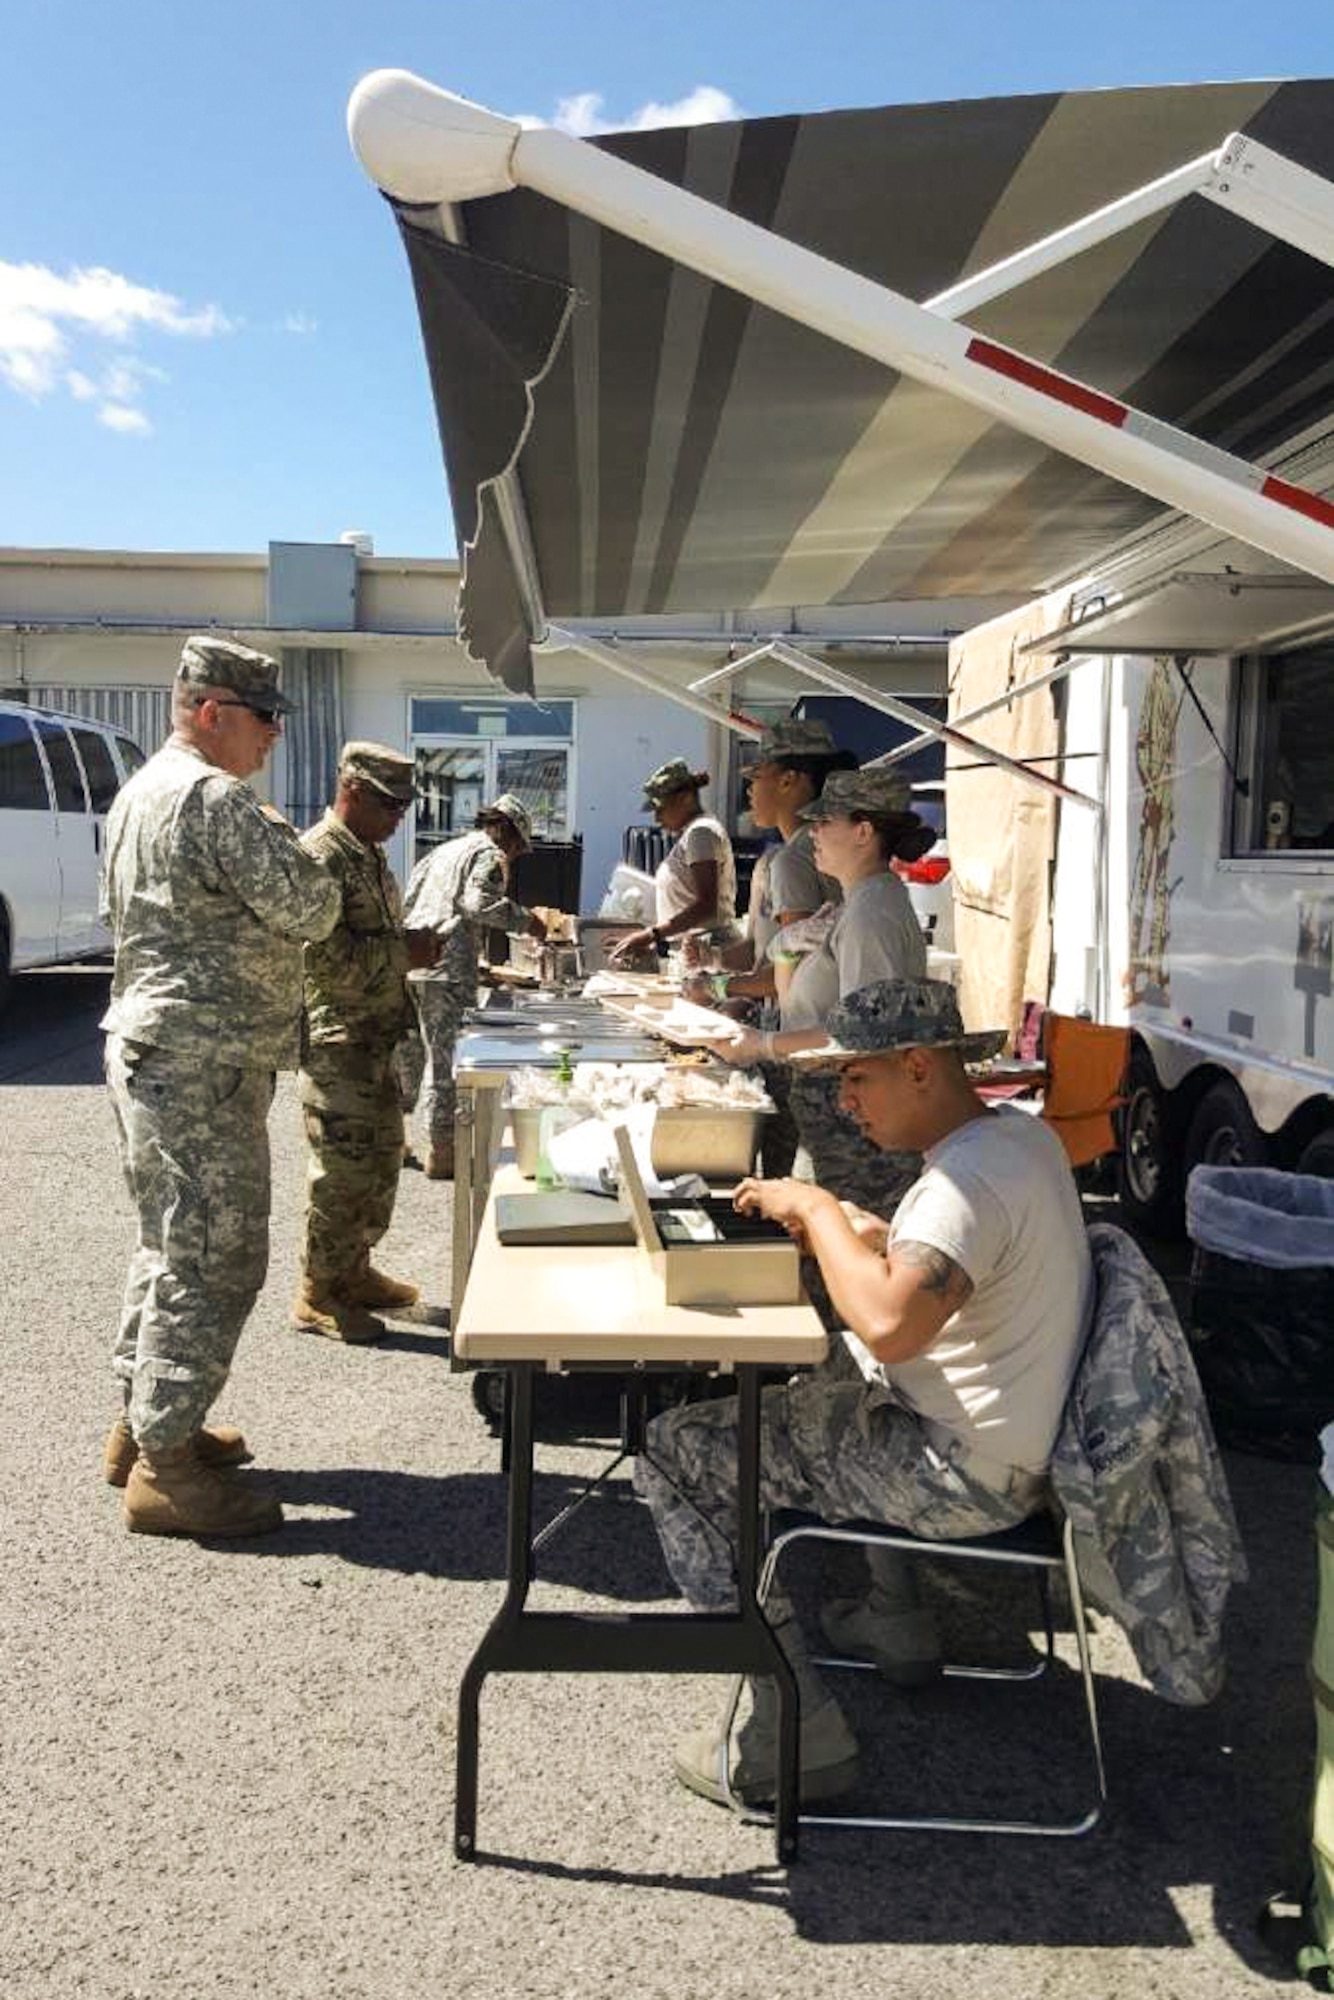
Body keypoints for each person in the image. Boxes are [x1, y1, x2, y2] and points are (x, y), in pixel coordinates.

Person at [634, 977, 1094, 1808]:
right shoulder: (1017, 1146)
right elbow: (952, 1275)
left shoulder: (965, 1186)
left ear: (919, 1066)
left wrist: (815, 1209)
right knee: (827, 1379)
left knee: (676, 1454)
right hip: (1008, 1449)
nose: (843, 1099)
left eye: (858, 1076)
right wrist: (860, 1233)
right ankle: (895, 1614)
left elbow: (888, 1325)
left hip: (959, 1476)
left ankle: (793, 1731)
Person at [100, 635, 341, 1538]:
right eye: (263, 721)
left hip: (153, 1046)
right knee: (214, 1257)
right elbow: (312, 908)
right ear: (212, 713)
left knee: (168, 1245)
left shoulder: (138, 793)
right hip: (201, 1058)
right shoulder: (213, 798)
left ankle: (147, 1423)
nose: (273, 738)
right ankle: (166, 1470)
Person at [715, 765, 939, 1231]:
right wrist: (787, 946)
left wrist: (761, 1044)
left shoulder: (872, 911)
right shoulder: (861, 903)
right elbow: (807, 1001)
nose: (811, 832)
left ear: (863, 832)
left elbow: (863, 1036)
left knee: (834, 1259)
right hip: (837, 1119)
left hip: (858, 1130)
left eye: (824, 823)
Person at [292, 743, 441, 1344]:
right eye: (390, 803)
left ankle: (352, 1272)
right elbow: (322, 959)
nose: (400, 815)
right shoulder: (320, 857)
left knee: (379, 1164)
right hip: (339, 1042)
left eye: (406, 805)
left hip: (374, 1038)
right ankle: (317, 1292)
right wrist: (408, 952)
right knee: (340, 1172)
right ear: (351, 789)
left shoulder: (369, 854)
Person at [684, 717, 847, 1173]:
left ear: (791, 780)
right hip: (810, 1039)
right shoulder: (785, 855)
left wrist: (717, 991)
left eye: (758, 778)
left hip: (799, 1044)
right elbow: (767, 952)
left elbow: (786, 976)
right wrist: (718, 965)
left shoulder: (796, 858)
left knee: (786, 1185)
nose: (751, 791)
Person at [397, 793, 546, 1179]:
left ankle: (396, 1139)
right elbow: (478, 902)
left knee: (408, 1055)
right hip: (447, 969)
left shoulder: (443, 851)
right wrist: (527, 921)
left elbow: (411, 900)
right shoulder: (488, 854)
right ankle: (443, 1151)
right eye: (516, 848)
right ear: (508, 834)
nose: (513, 856)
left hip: (412, 961)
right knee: (446, 1059)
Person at [609, 758, 737, 963]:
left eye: (661, 809)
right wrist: (656, 944)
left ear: (685, 798)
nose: (657, 819)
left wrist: (652, 934)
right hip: (692, 950)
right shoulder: (694, 833)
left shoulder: (701, 833)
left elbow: (706, 905)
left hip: (707, 952)